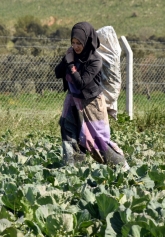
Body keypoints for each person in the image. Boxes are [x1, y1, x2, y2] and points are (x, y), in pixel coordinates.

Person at [54, 21, 130, 170]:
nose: (75, 46)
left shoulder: (95, 60)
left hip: (92, 104)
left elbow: (81, 83)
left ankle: (121, 167)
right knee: (68, 131)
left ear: (87, 41)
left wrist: (70, 64)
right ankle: (73, 169)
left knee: (97, 141)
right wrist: (67, 60)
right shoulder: (72, 55)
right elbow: (58, 73)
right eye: (73, 42)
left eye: (79, 43)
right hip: (72, 102)